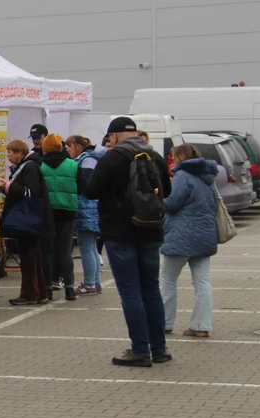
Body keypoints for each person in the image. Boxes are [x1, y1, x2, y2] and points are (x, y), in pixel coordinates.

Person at [86, 116, 172, 367]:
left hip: (120, 232)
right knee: (150, 289)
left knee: (130, 291)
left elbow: (91, 191)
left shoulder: (113, 158)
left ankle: (139, 350)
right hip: (151, 230)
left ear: (112, 136)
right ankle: (159, 348)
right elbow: (166, 190)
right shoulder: (154, 157)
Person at [160, 144, 218, 338]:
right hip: (205, 236)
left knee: (168, 280)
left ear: (180, 157)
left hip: (181, 236)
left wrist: (158, 196)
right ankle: (201, 325)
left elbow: (171, 203)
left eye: (173, 156)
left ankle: (164, 323)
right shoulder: (208, 177)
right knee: (202, 282)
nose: (171, 159)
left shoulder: (182, 176)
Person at [2, 139, 53, 305]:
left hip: (29, 220)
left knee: (29, 258)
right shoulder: (28, 166)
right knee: (32, 257)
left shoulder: (29, 167)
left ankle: (30, 293)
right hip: (32, 220)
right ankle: (40, 292)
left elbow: (30, 193)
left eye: (11, 152)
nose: (8, 155)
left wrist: (8, 186)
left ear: (20, 153)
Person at [38, 134, 79, 301]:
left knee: (47, 251)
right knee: (65, 250)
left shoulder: (40, 165)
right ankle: (69, 288)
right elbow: (81, 186)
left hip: (47, 211)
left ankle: (47, 288)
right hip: (67, 210)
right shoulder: (73, 165)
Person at [67, 135, 103, 295]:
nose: (68, 150)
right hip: (90, 208)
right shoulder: (88, 159)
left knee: (86, 247)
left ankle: (89, 284)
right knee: (91, 247)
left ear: (78, 147)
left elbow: (86, 185)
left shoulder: (86, 161)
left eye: (69, 147)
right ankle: (95, 282)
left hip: (86, 208)